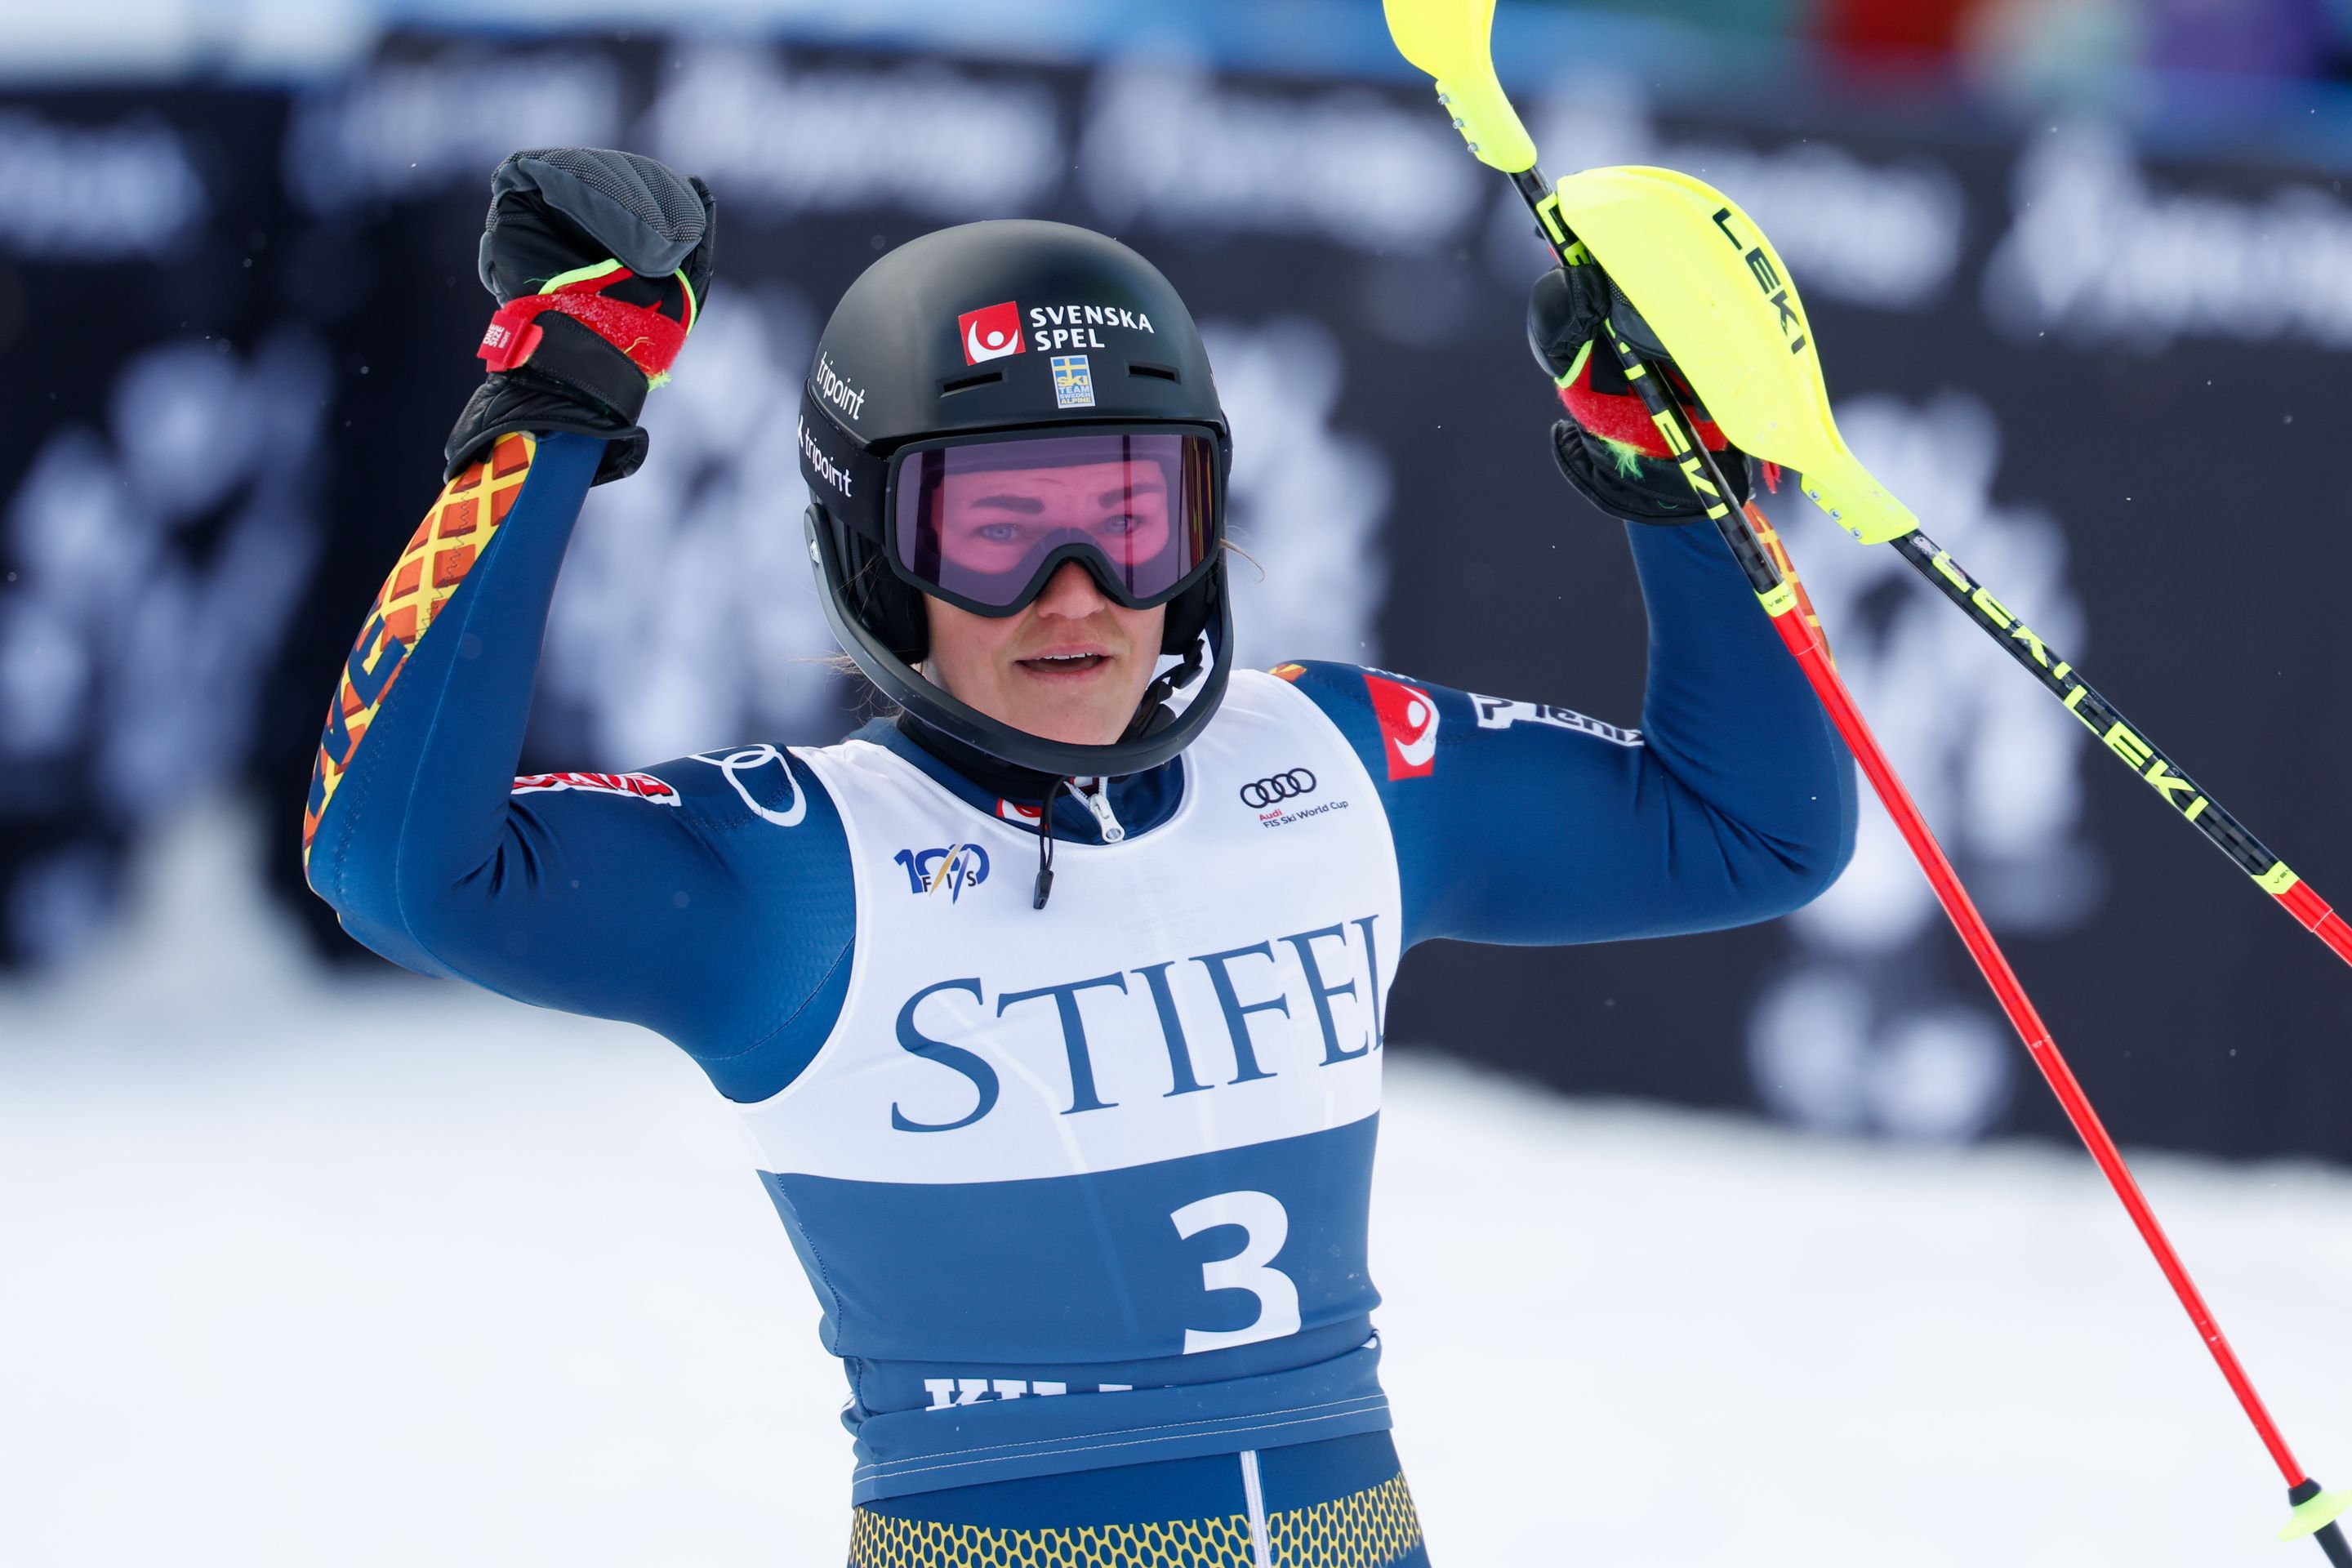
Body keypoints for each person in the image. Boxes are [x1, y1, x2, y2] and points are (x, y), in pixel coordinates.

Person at [302, 149, 1855, 1567]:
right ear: (874, 553)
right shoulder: (796, 871)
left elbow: (1754, 833)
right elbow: (390, 862)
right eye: (996, 530)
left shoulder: (1332, 767)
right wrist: (555, 405)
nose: (1078, 597)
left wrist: (1678, 477)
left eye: (1130, 514)